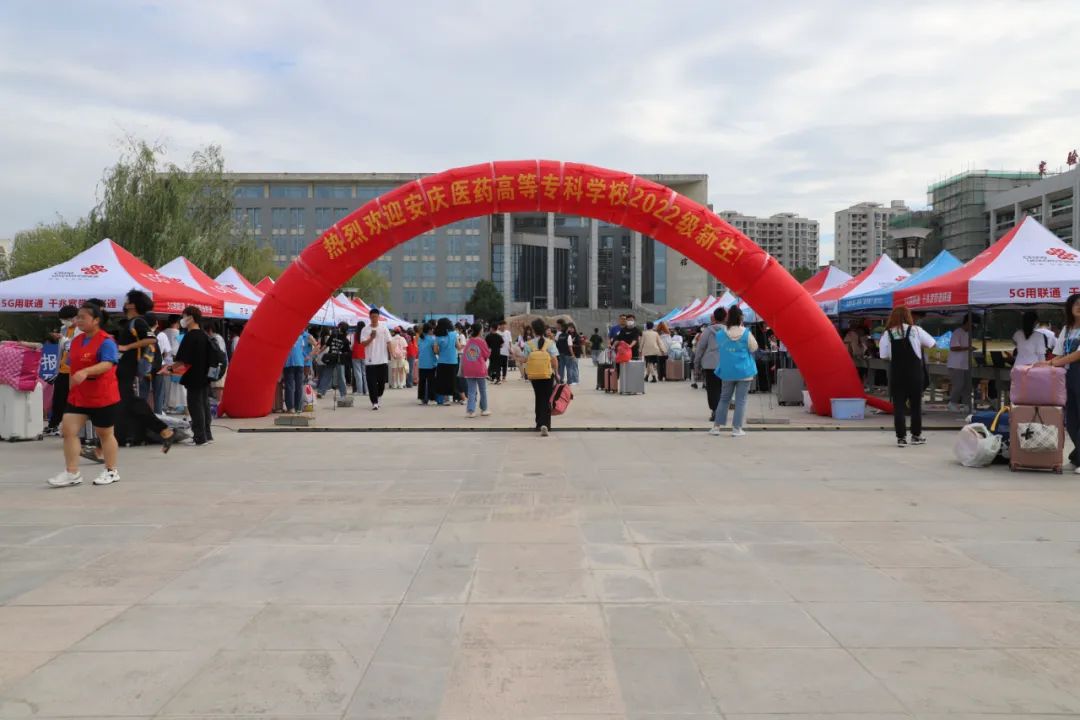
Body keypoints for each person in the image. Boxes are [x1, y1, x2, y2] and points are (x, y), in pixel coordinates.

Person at [47, 301, 126, 487]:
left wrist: (86, 371)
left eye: (83, 317)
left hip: (102, 395)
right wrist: (71, 388)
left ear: (96, 320)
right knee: (68, 431)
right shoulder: (76, 341)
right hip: (79, 395)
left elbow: (108, 363)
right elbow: (72, 366)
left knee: (105, 433)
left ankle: (111, 471)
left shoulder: (106, 341)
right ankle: (72, 473)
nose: (78, 320)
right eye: (78, 317)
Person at [115, 290, 178, 447]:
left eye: (127, 300)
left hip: (129, 367)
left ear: (132, 305)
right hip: (124, 367)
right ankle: (119, 439)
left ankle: (163, 429)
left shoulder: (138, 322)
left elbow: (151, 339)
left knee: (130, 400)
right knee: (124, 403)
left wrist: (127, 347)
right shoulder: (131, 322)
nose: (124, 303)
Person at [879, 306, 935, 447]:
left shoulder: (887, 333)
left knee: (899, 406)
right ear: (908, 316)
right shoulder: (916, 330)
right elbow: (932, 343)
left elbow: (883, 355)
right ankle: (916, 436)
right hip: (914, 373)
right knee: (915, 406)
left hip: (897, 373)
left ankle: (901, 438)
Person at [1037, 294, 1080, 473]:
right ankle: (1077, 457)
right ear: (1069, 308)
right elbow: (1060, 353)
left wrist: (1054, 363)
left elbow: (1078, 354)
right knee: (1071, 419)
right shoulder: (1067, 329)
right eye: (1076, 304)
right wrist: (1047, 363)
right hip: (1067, 375)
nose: (1079, 307)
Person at [709, 307, 758, 438]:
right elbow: (754, 347)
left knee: (724, 398)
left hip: (727, 371)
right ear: (741, 318)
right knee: (741, 401)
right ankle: (737, 429)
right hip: (744, 371)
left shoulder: (721, 334)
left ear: (728, 317)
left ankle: (716, 427)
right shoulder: (746, 333)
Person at [171, 306, 214, 446]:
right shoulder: (204, 335)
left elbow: (182, 360)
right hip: (205, 376)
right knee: (204, 405)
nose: (182, 319)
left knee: (195, 406)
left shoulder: (190, 336)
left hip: (193, 376)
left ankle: (200, 437)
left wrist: (169, 369)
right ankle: (207, 435)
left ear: (190, 318)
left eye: (184, 316)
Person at [45, 305, 80, 436]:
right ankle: (53, 425)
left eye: (67, 319)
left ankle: (72, 427)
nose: (65, 322)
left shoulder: (81, 330)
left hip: (75, 370)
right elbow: (64, 347)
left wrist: (63, 339)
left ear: (75, 317)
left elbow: (73, 346)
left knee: (73, 400)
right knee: (58, 399)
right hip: (63, 368)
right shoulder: (64, 329)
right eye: (63, 320)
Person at [523, 317, 558, 436]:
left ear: (533, 330)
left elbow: (525, 359)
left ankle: (539, 423)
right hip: (548, 375)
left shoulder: (528, 344)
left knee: (538, 397)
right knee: (547, 399)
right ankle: (546, 424)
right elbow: (554, 361)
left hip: (534, 376)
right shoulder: (550, 343)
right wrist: (557, 373)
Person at [693, 307, 728, 420]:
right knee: (724, 389)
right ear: (725, 317)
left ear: (714, 318)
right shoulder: (729, 331)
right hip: (725, 364)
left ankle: (715, 411)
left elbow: (700, 348)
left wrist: (697, 363)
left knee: (712, 389)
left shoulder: (707, 331)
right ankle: (722, 411)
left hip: (710, 364)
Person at [360, 309, 392, 410]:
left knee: (382, 383)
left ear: (378, 317)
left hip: (382, 360)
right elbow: (363, 344)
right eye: (372, 317)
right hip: (370, 361)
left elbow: (389, 342)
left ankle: (379, 396)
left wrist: (392, 353)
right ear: (369, 317)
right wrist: (371, 338)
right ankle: (374, 402)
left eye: (376, 317)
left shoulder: (384, 328)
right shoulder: (365, 329)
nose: (374, 319)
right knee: (371, 383)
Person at [462, 323, 492, 418]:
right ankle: (484, 409)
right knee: (482, 390)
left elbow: (465, 354)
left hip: (468, 369)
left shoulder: (469, 341)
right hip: (479, 369)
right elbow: (487, 354)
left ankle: (470, 411)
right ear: (480, 330)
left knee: (471, 391)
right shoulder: (482, 342)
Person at [947, 314, 973, 413]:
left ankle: (966, 405)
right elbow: (953, 347)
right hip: (956, 364)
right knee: (958, 385)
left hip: (965, 364)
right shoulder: (957, 332)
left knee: (967, 386)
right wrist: (968, 348)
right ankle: (952, 403)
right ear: (968, 322)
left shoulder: (968, 334)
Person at [433, 318, 459, 405]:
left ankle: (445, 398)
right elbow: (458, 346)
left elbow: (435, 350)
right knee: (451, 380)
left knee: (443, 380)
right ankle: (451, 397)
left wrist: (441, 353)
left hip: (442, 361)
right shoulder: (454, 334)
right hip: (453, 361)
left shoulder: (437, 337)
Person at [152, 316, 174, 414]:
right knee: (158, 393)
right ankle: (158, 414)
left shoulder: (142, 334)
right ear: (156, 323)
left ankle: (144, 416)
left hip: (144, 367)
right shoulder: (161, 335)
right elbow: (167, 352)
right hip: (158, 367)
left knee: (144, 392)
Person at [283, 331, 308, 414]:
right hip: (300, 363)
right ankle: (298, 407)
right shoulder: (300, 338)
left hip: (289, 363)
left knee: (290, 386)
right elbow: (302, 350)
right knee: (299, 386)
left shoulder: (286, 337)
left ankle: (291, 407)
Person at [417, 322, 438, 405]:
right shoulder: (432, 339)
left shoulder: (420, 338)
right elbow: (435, 351)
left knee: (422, 382)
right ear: (429, 330)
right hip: (430, 363)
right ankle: (431, 399)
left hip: (422, 363)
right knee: (431, 382)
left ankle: (422, 398)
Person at [351, 321, 367, 396]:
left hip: (356, 354)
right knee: (364, 373)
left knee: (358, 373)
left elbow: (352, 345)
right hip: (364, 354)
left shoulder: (355, 334)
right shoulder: (366, 334)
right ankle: (366, 391)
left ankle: (359, 391)